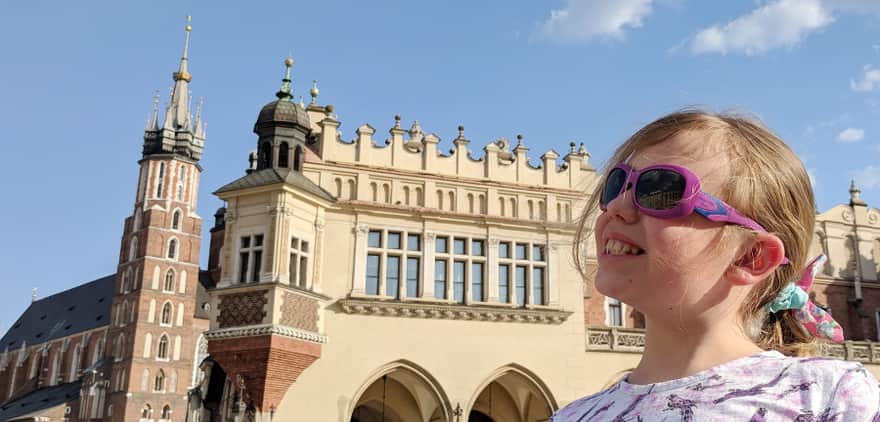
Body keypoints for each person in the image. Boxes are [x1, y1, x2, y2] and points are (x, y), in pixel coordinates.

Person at [553, 110, 880, 421]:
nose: (617, 206)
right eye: (616, 184)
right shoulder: (572, 416)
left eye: (660, 190)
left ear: (750, 257)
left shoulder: (831, 397)